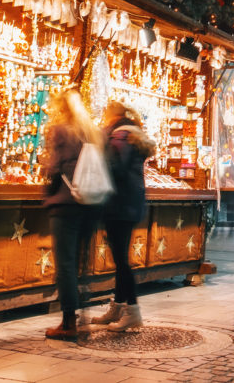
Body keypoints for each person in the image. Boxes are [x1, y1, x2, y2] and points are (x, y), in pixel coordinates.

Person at [42, 89, 102, 340]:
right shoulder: (93, 133)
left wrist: (46, 180)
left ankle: (68, 322)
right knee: (82, 262)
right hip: (90, 203)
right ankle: (83, 317)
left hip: (66, 204)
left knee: (65, 264)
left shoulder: (61, 130)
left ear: (63, 108)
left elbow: (54, 168)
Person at [91, 100, 148, 331]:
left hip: (119, 205)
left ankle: (132, 311)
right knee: (120, 258)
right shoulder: (129, 135)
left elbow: (116, 169)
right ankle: (119, 306)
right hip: (127, 204)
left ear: (110, 115)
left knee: (122, 261)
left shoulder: (119, 137)